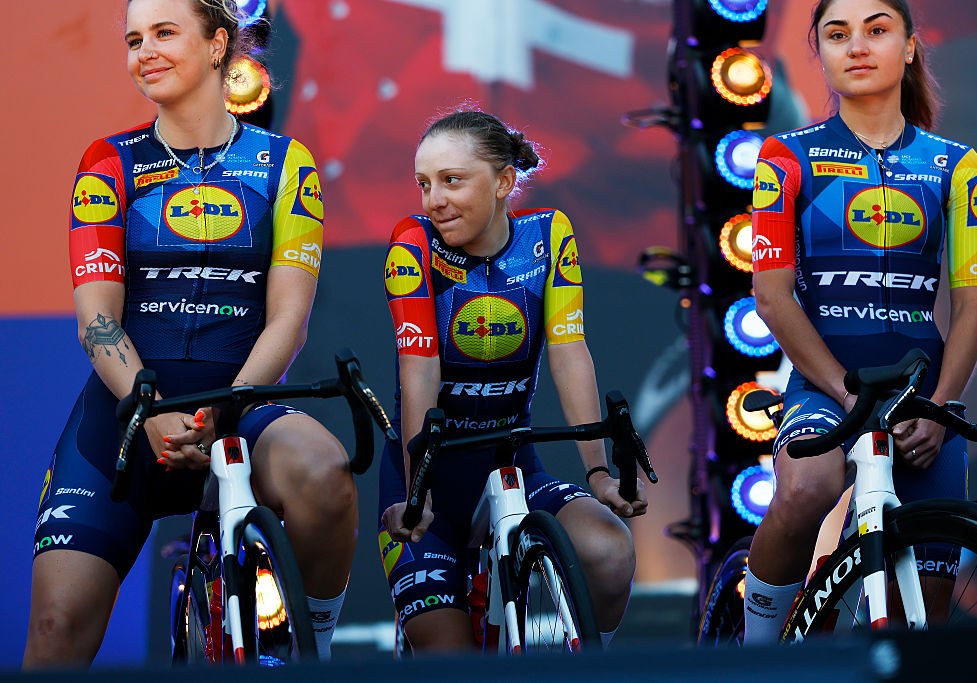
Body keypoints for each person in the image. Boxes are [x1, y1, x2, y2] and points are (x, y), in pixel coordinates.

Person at [25, 0, 356, 666]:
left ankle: (315, 646)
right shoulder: (109, 161)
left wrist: (227, 408)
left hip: (242, 405)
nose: (144, 51)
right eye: (133, 40)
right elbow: (98, 319)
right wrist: (145, 409)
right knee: (57, 627)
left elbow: (288, 319)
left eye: (165, 33)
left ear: (217, 45)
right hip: (126, 412)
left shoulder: (286, 163)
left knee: (326, 475)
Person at [743, 0, 977, 644]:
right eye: (837, 34)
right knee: (805, 490)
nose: (857, 46)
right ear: (820, 53)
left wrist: (942, 408)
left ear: (908, 47)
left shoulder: (955, 164)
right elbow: (771, 298)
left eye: (877, 30)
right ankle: (756, 655)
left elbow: (970, 304)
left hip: (924, 396)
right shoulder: (785, 156)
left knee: (925, 614)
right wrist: (848, 396)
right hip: (828, 387)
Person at [377, 110, 647, 652]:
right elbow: (420, 367)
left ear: (503, 182)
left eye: (452, 180)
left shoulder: (548, 235)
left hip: (513, 466)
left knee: (610, 550)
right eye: (424, 184)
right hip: (427, 479)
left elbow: (569, 353)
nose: (434, 200)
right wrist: (416, 491)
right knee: (452, 661)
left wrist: (597, 473)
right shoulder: (413, 244)